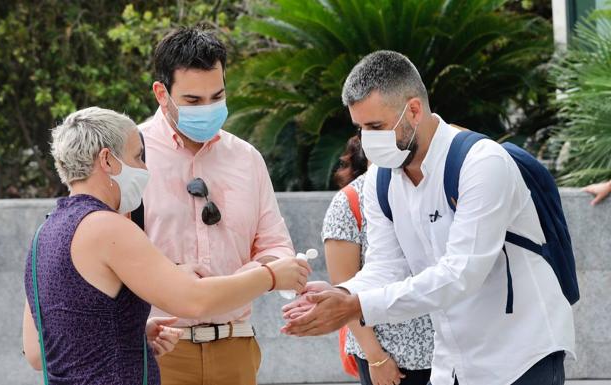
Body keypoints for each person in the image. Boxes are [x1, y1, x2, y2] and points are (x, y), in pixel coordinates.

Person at [281, 51, 575, 385]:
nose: (366, 140)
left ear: (415, 110)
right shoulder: (382, 176)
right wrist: (341, 294)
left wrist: (356, 306)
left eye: (375, 126)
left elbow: (462, 273)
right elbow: (386, 266)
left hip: (521, 359)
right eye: (360, 128)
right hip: (452, 364)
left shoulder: (481, 163)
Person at [22, 107, 309, 385]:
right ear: (107, 160)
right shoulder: (109, 227)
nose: (145, 168)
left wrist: (129, 334)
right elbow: (195, 301)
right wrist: (271, 276)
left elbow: (37, 353)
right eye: (137, 157)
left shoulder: (43, 235)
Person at [138, 27, 298, 385]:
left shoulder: (247, 158)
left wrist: (244, 280)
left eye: (218, 96)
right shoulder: (131, 158)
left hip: (236, 346)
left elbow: (276, 246)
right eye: (193, 101)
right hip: (158, 350)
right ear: (161, 93)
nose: (208, 109)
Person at [320, 136, 433, 385]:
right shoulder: (349, 202)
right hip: (394, 356)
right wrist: (376, 358)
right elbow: (346, 293)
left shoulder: (426, 183)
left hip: (447, 351)